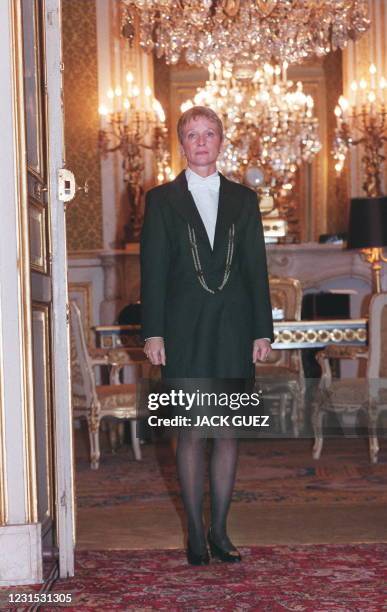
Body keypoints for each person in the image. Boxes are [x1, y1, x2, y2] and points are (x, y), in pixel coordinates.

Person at [140, 106, 274, 565]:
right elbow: (153, 272)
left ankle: (220, 530)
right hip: (183, 329)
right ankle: (195, 535)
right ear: (181, 144)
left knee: (228, 430)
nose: (201, 142)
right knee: (193, 431)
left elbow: (257, 268)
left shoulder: (244, 199)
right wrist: (153, 333)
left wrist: (262, 330)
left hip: (236, 329)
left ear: (221, 141)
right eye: (192, 134)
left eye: (209, 133)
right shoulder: (161, 200)